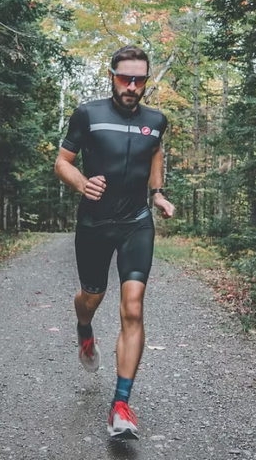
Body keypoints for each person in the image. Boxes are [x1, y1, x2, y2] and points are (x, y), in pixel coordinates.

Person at [54, 45, 175, 439]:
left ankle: (121, 406)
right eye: (126, 78)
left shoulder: (156, 120)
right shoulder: (88, 114)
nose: (132, 86)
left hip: (136, 223)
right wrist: (81, 183)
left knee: (133, 307)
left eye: (140, 79)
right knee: (92, 296)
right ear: (112, 76)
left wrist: (157, 193)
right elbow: (62, 162)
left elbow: (154, 153)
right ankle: (84, 328)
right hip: (94, 224)